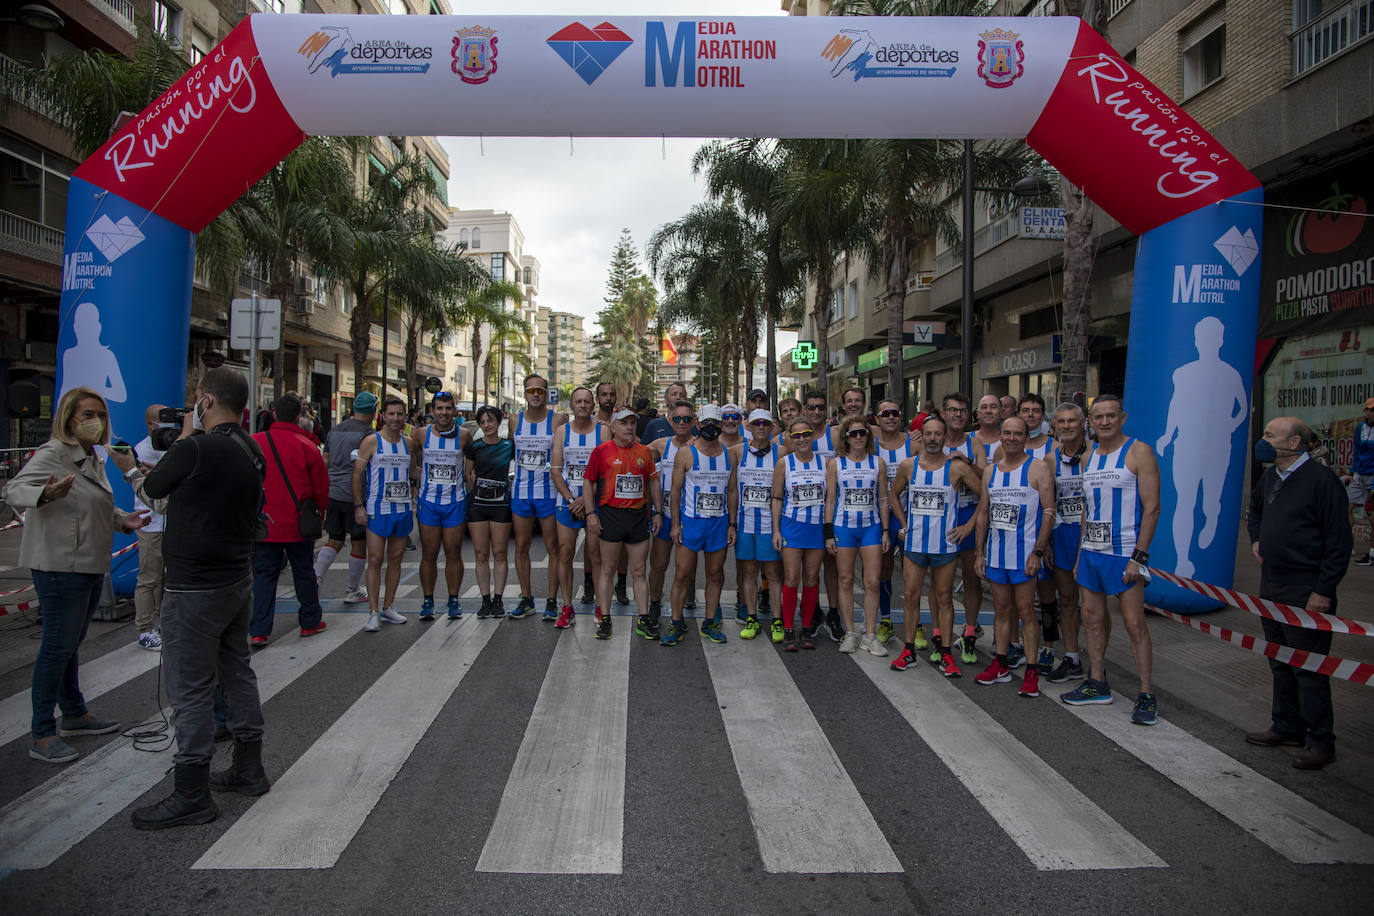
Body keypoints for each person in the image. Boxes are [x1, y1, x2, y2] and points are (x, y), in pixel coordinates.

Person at [125, 368, 269, 827]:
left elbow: (151, 491)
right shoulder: (251, 449)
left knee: (190, 689)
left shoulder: (194, 448)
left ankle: (191, 791)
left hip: (192, 586)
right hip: (235, 578)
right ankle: (249, 766)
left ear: (204, 401)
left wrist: (132, 466)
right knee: (237, 671)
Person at [3, 387, 148, 764]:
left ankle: (74, 713)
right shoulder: (55, 453)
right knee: (56, 646)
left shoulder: (91, 456)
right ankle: (42, 732)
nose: (94, 421)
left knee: (70, 643)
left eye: (98, 413)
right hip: (59, 565)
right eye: (86, 414)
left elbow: (94, 503)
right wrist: (46, 494)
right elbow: (15, 489)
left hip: (86, 563)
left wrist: (122, 520)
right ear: (69, 418)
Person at [1244, 417, 1352, 770]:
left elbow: (1339, 542)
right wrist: (1257, 539)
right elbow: (1256, 510)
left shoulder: (1322, 482)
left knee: (1310, 666)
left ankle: (1320, 741)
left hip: (1306, 589)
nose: (1263, 440)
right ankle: (1287, 726)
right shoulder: (1270, 477)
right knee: (1280, 660)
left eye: (1270, 436)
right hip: (1271, 584)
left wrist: (1323, 590)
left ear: (1294, 444)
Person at [1061, 394, 1163, 726]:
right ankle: (1097, 681)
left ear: (1122, 417)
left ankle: (1146, 692)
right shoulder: (1088, 457)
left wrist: (1139, 558)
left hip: (1124, 552)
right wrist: (1079, 556)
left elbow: (1152, 508)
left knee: (1134, 623)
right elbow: (1087, 510)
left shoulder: (1139, 451)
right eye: (1098, 417)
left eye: (1111, 416)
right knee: (1091, 618)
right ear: (1090, 421)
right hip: (1091, 551)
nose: (1104, 422)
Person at [889, 415, 981, 675]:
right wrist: (903, 524)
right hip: (915, 544)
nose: (932, 439)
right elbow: (893, 495)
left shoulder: (957, 468)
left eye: (937, 434)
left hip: (945, 545)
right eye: (927, 433)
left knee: (944, 598)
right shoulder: (909, 466)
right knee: (910, 596)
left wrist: (968, 526)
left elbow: (985, 495)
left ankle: (946, 652)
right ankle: (908, 650)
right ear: (921, 435)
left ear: (944, 437)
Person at [973, 416, 1055, 697]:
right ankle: (1001, 663)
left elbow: (1049, 511)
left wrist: (1038, 551)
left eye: (1017, 434)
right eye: (1006, 433)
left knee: (1026, 612)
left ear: (1025, 436)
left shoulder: (1038, 468)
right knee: (1000, 610)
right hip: (996, 555)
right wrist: (979, 553)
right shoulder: (990, 471)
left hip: (1024, 556)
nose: (1011, 438)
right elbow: (983, 514)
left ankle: (1031, 670)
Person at [249, 395, 328, 646]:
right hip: (298, 521)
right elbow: (321, 488)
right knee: (303, 571)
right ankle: (309, 621)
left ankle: (259, 629)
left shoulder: (254, 443)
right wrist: (320, 515)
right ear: (298, 416)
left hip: (264, 521)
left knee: (264, 576)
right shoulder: (306, 445)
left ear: (273, 413)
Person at [583, 407, 663, 640]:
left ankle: (644, 619)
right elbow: (588, 483)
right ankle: (605, 619)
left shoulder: (644, 452)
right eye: (624, 423)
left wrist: (658, 512)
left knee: (639, 570)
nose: (629, 427)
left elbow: (653, 483)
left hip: (638, 517)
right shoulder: (601, 451)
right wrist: (590, 514)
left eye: (632, 423)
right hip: (611, 515)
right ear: (614, 427)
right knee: (607, 569)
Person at [665, 404, 737, 646]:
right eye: (705, 423)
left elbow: (732, 491)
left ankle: (709, 622)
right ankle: (676, 622)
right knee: (683, 574)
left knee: (715, 574)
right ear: (698, 422)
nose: (710, 428)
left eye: (715, 423)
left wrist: (732, 524)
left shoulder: (729, 454)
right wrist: (675, 525)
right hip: (691, 523)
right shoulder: (686, 453)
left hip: (718, 523)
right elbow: (675, 492)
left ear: (721, 425)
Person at [825, 414, 888, 654]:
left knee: (872, 581)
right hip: (844, 526)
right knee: (845, 580)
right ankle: (850, 632)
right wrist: (828, 533)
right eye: (854, 433)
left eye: (863, 433)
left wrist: (885, 530)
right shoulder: (836, 464)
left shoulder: (877, 463)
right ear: (846, 438)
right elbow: (830, 500)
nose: (859, 437)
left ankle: (870, 634)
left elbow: (883, 498)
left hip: (871, 526)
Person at [352, 397, 413, 632]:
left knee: (396, 559)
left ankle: (389, 606)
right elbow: (357, 474)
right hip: (378, 509)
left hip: (403, 509)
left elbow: (415, 471)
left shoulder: (408, 443)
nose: (396, 418)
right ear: (383, 416)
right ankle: (373, 612)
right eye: (391, 414)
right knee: (375, 560)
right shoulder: (371, 441)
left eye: (400, 414)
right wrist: (359, 506)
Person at [510, 374, 566, 620]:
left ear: (546, 394)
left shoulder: (558, 420)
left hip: (549, 492)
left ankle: (552, 600)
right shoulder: (514, 420)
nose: (535, 395)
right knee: (521, 546)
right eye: (531, 390)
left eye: (540, 391)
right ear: (524, 393)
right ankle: (526, 598)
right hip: (521, 492)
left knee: (553, 548)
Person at [412, 391, 470, 621]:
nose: (444, 413)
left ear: (454, 410)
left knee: (454, 552)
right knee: (429, 554)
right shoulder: (420, 434)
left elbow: (470, 466)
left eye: (448, 408)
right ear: (432, 411)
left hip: (455, 502)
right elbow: (412, 463)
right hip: (428, 503)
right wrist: (420, 481)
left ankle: (453, 599)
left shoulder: (464, 436)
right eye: (439, 408)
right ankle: (428, 600)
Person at [315, 391, 378, 604]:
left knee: (334, 539)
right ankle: (352, 589)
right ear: (373, 411)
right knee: (358, 542)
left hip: (333, 492)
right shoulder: (368, 434)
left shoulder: (335, 430)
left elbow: (325, 460)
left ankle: (316, 578)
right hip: (355, 495)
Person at [550, 387, 605, 627]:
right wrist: (573, 499)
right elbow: (556, 470)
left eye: (586, 402)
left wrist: (586, 499)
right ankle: (566, 606)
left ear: (593, 406)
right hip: (567, 503)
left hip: (593, 503)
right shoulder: (562, 431)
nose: (582, 405)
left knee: (596, 555)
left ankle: (601, 607)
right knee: (565, 553)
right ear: (571, 406)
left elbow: (605, 472)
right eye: (578, 402)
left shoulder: (603, 431)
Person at [771, 417, 827, 651]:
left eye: (806, 434)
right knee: (792, 578)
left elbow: (832, 498)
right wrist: (776, 530)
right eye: (796, 436)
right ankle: (787, 628)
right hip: (792, 526)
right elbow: (776, 498)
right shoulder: (784, 463)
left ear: (812, 436)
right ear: (790, 439)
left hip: (816, 528)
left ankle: (806, 628)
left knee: (812, 579)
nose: (802, 439)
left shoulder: (826, 463)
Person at [1045, 403, 1091, 683]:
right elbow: (1048, 504)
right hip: (1063, 535)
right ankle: (1072, 657)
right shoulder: (1052, 459)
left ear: (1083, 422)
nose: (1066, 425)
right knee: (1067, 600)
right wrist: (1047, 542)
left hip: (1093, 535)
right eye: (1061, 421)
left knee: (1093, 604)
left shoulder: (1098, 454)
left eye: (1072, 420)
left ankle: (1098, 662)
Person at [940, 393, 986, 665]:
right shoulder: (931, 439)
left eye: (962, 411)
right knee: (939, 582)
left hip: (968, 513)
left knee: (971, 579)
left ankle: (970, 632)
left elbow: (986, 483)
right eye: (952, 410)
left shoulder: (975, 443)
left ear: (969, 416)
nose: (957, 415)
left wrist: (966, 464)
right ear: (943, 413)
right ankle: (938, 633)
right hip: (940, 517)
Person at [732, 409, 782, 641]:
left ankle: (777, 619)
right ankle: (751, 616)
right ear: (748, 427)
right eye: (756, 423)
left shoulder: (782, 453)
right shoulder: (736, 453)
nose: (761, 427)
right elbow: (731, 489)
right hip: (745, 523)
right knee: (749, 572)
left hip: (770, 525)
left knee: (772, 573)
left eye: (765, 423)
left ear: (772, 427)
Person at [648, 400, 696, 624]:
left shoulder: (700, 446)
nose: (682, 423)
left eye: (687, 419)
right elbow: (630, 450)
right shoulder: (660, 444)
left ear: (694, 421)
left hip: (689, 516)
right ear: (670, 420)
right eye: (677, 419)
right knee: (658, 565)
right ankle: (654, 604)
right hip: (665, 514)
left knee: (683, 570)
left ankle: (679, 613)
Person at [465, 406, 516, 618]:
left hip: (501, 505)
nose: (486, 425)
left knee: (500, 553)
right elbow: (468, 473)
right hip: (477, 505)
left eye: (490, 421)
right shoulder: (474, 447)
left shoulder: (508, 446)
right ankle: (485, 600)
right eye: (483, 422)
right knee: (481, 553)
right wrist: (474, 482)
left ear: (498, 422)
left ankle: (498, 599)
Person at [875, 399, 913, 644]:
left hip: (910, 516)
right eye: (885, 413)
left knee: (913, 575)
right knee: (885, 570)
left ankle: (916, 625)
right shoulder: (869, 444)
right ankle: (886, 620)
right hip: (880, 517)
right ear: (877, 419)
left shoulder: (914, 443)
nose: (890, 417)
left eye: (894, 413)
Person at [132, 403, 169, 650]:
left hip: (173, 524)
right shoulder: (141, 450)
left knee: (169, 579)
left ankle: (166, 623)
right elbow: (151, 490)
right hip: (151, 524)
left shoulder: (174, 448)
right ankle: (145, 628)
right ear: (150, 424)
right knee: (149, 578)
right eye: (161, 421)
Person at [1348, 397, 1374, 566]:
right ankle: (1348, 545)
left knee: (1372, 517)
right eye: (1369, 409)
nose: (1371, 413)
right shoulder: (1360, 427)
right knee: (1348, 508)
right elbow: (1356, 449)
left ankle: (1372, 552)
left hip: (1373, 475)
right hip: (1359, 473)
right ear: (1364, 411)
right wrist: (1352, 471)